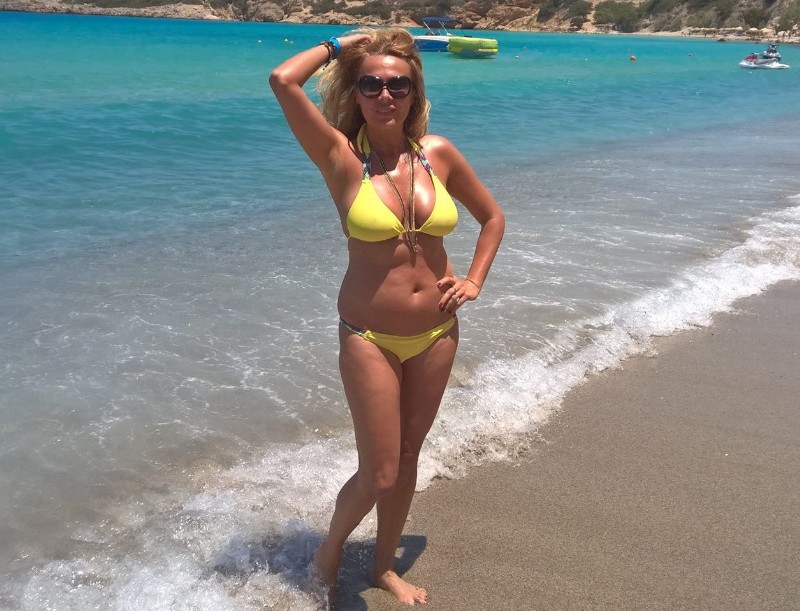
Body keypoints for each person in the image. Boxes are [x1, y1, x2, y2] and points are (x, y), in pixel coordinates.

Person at [269, 28, 504, 606]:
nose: (384, 94)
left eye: (398, 84)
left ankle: (382, 567)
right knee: (378, 471)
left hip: (438, 332)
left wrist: (474, 280)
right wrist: (339, 45)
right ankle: (328, 553)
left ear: (413, 93)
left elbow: (493, 218)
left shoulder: (438, 154)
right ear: (356, 91)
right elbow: (282, 80)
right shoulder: (339, 158)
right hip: (368, 336)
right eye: (371, 83)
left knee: (407, 457)